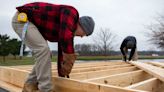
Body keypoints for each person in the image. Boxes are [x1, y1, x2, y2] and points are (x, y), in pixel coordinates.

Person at [12, 2, 95, 92]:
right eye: (84, 34)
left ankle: (29, 86)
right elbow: (65, 38)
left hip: (29, 22)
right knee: (43, 50)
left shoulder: (66, 30)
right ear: (82, 26)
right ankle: (45, 89)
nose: (82, 36)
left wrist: (62, 73)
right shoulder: (72, 13)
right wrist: (70, 59)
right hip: (22, 19)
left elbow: (62, 51)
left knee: (46, 54)